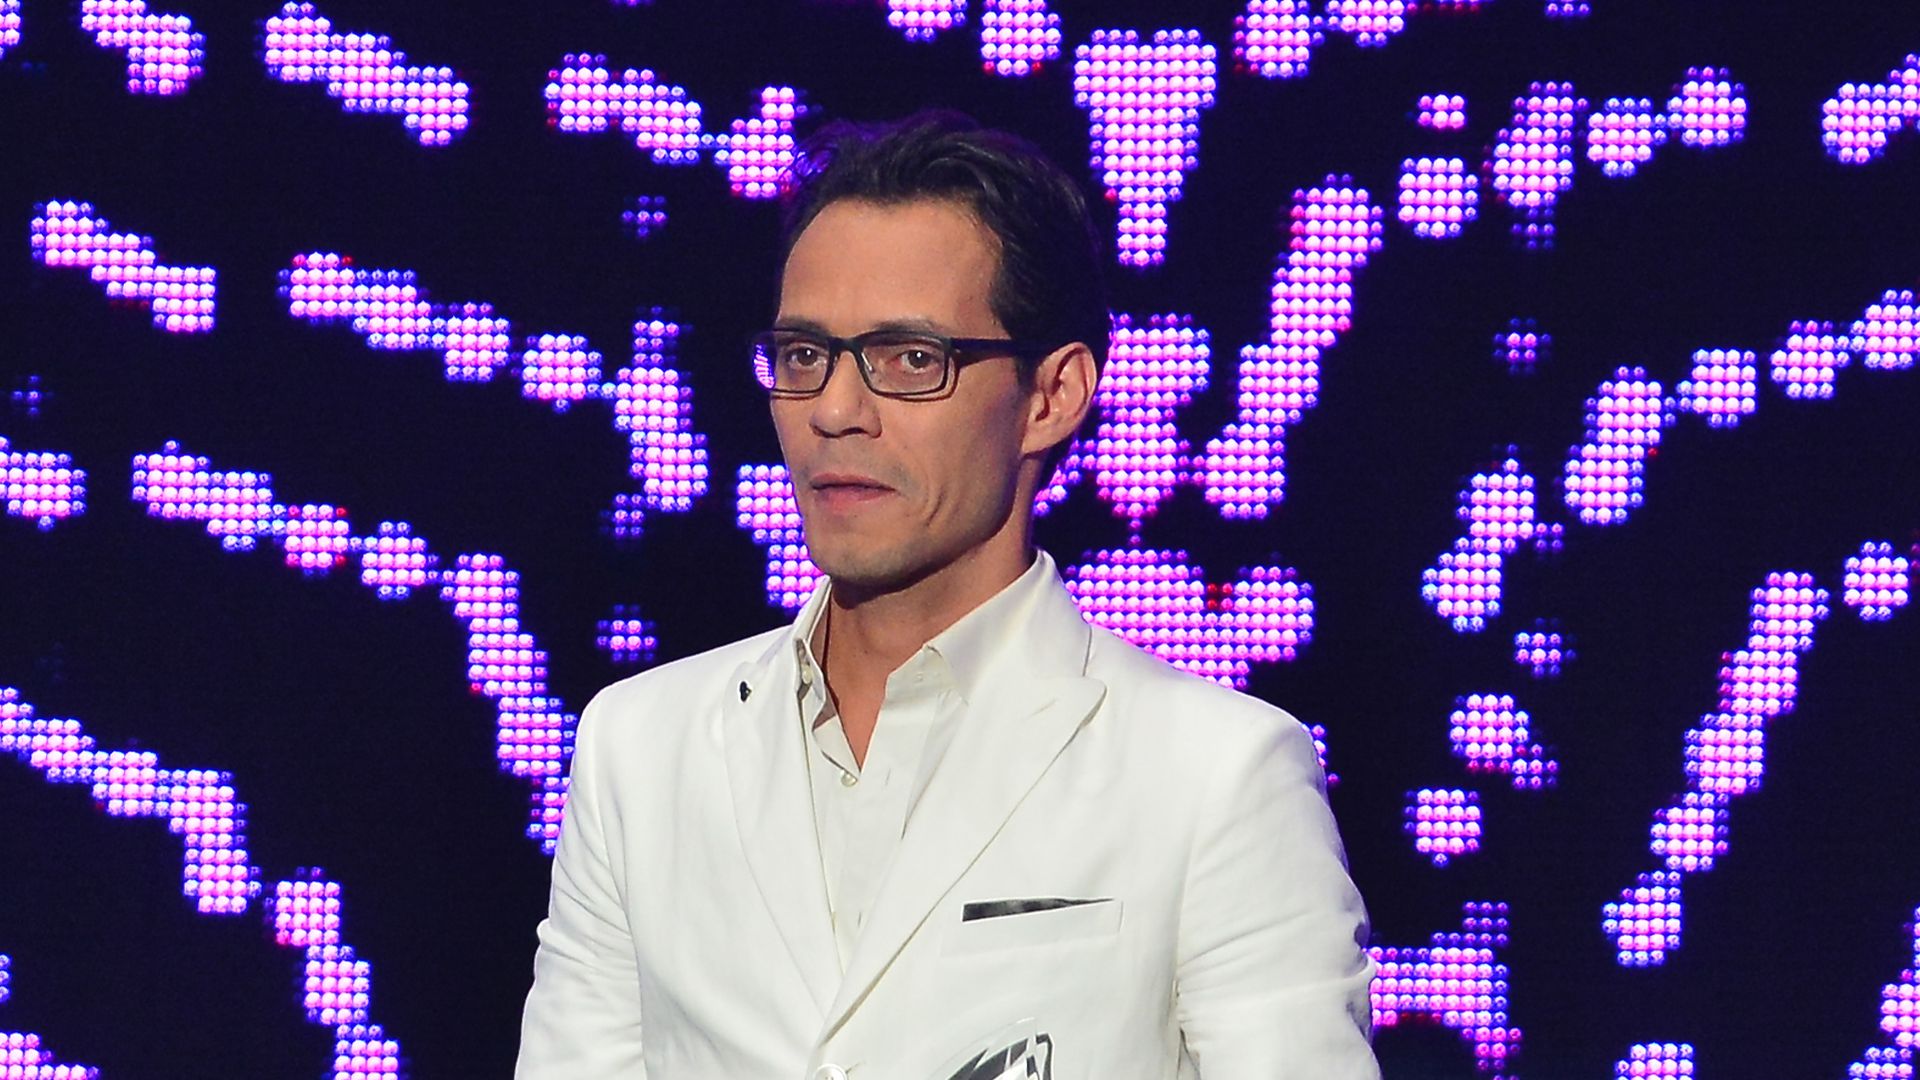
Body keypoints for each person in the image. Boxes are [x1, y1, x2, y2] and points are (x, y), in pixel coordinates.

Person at [515, 110, 1379, 1080]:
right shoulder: (641, 747)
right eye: (805, 357)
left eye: (910, 360)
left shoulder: (1215, 776)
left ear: (1051, 396)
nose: (836, 412)